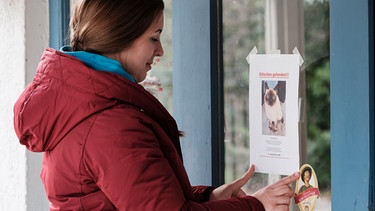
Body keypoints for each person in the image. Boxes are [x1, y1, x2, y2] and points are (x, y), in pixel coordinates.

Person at [13, 0, 299, 210]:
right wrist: (255, 206)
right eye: (154, 37)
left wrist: (206, 199)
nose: (160, 50)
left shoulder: (86, 106)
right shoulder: (108, 123)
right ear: (121, 36)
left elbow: (135, 198)